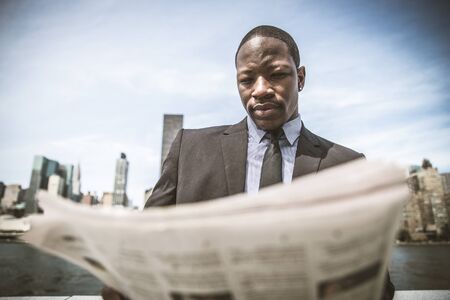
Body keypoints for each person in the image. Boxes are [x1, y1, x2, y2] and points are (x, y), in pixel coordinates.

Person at [103, 25, 394, 300]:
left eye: (277, 74)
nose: (260, 89)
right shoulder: (189, 149)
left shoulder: (348, 166)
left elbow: (379, 288)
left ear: (301, 78)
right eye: (247, 79)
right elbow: (142, 245)